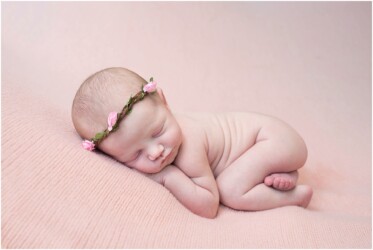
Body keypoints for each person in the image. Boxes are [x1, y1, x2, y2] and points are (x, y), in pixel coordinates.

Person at [72, 67, 313, 218]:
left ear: (165, 102)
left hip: (274, 139)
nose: (156, 152)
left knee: (229, 189)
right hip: (267, 149)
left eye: (158, 131)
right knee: (235, 173)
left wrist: (169, 177)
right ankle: (278, 174)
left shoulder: (189, 146)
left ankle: (295, 197)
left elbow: (209, 205)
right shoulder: (161, 130)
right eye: (135, 155)